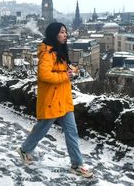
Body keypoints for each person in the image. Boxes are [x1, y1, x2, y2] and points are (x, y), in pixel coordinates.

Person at [16, 22, 93, 178]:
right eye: (62, 32)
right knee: (41, 129)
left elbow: (62, 70)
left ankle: (77, 164)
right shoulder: (47, 53)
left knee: (72, 131)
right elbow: (44, 75)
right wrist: (65, 75)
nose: (66, 35)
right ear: (54, 34)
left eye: (66, 32)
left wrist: (72, 70)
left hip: (63, 99)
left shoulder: (59, 51)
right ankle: (25, 150)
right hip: (51, 99)